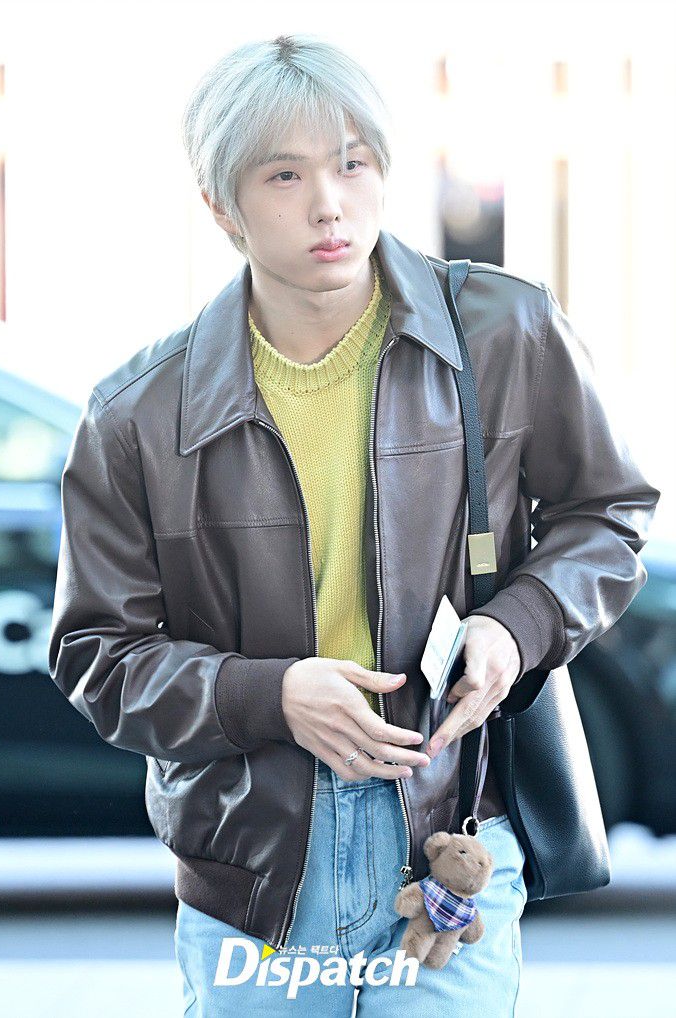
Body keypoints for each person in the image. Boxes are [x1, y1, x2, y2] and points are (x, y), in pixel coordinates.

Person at [48, 32, 661, 1017]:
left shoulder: (501, 332)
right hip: (252, 871)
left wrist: (516, 628)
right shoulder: (137, 414)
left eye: (352, 163)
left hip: (451, 842)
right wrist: (272, 695)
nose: (329, 203)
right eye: (285, 175)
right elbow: (98, 657)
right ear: (221, 204)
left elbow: (609, 512)